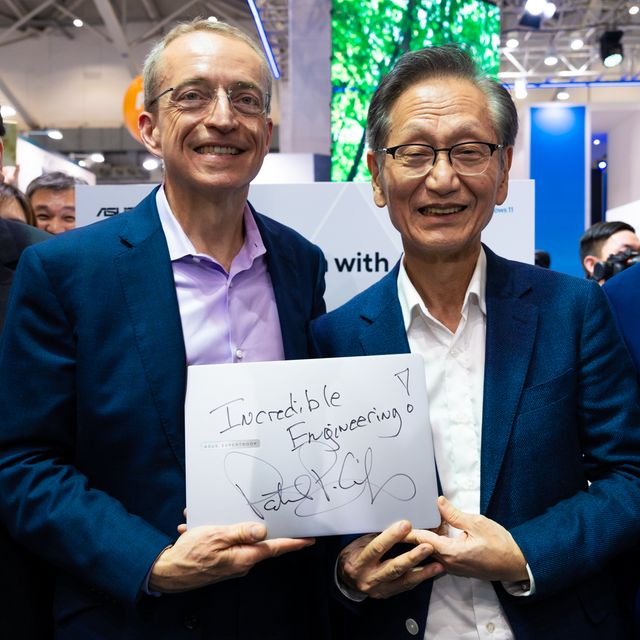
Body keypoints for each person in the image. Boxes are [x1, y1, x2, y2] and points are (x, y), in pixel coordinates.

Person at [0, 19, 330, 639]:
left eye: (246, 99)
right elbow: (23, 463)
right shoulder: (65, 272)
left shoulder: (301, 264)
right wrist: (149, 562)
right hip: (132, 615)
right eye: (193, 95)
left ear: (265, 131)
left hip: (280, 612)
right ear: (149, 127)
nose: (223, 117)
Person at [311, 45, 640, 639]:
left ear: (503, 169)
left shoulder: (571, 310)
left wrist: (525, 553)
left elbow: (631, 475)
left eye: (469, 151)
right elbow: (316, 513)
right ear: (379, 176)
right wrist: (344, 574)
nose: (443, 178)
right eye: (414, 153)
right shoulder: (334, 340)